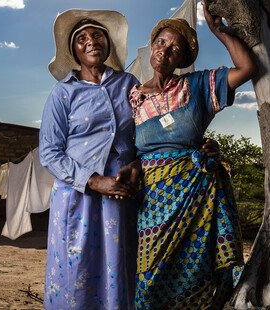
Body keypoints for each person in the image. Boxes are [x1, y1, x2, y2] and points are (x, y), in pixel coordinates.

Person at [39, 7, 223, 310]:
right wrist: (95, 181)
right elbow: (50, 152)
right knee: (76, 266)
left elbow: (153, 129)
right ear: (73, 50)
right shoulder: (63, 93)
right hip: (78, 192)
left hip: (125, 189)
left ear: (108, 43)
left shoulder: (128, 85)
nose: (91, 41)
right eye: (82, 38)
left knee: (118, 266)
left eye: (97, 35)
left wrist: (195, 144)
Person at [120, 2, 256, 309]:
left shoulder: (198, 86)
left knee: (196, 275)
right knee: (148, 279)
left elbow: (248, 68)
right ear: (152, 47)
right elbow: (126, 146)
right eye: (161, 43)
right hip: (151, 200)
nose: (166, 51)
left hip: (196, 196)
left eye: (175, 48)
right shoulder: (133, 96)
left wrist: (218, 30)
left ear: (183, 59)